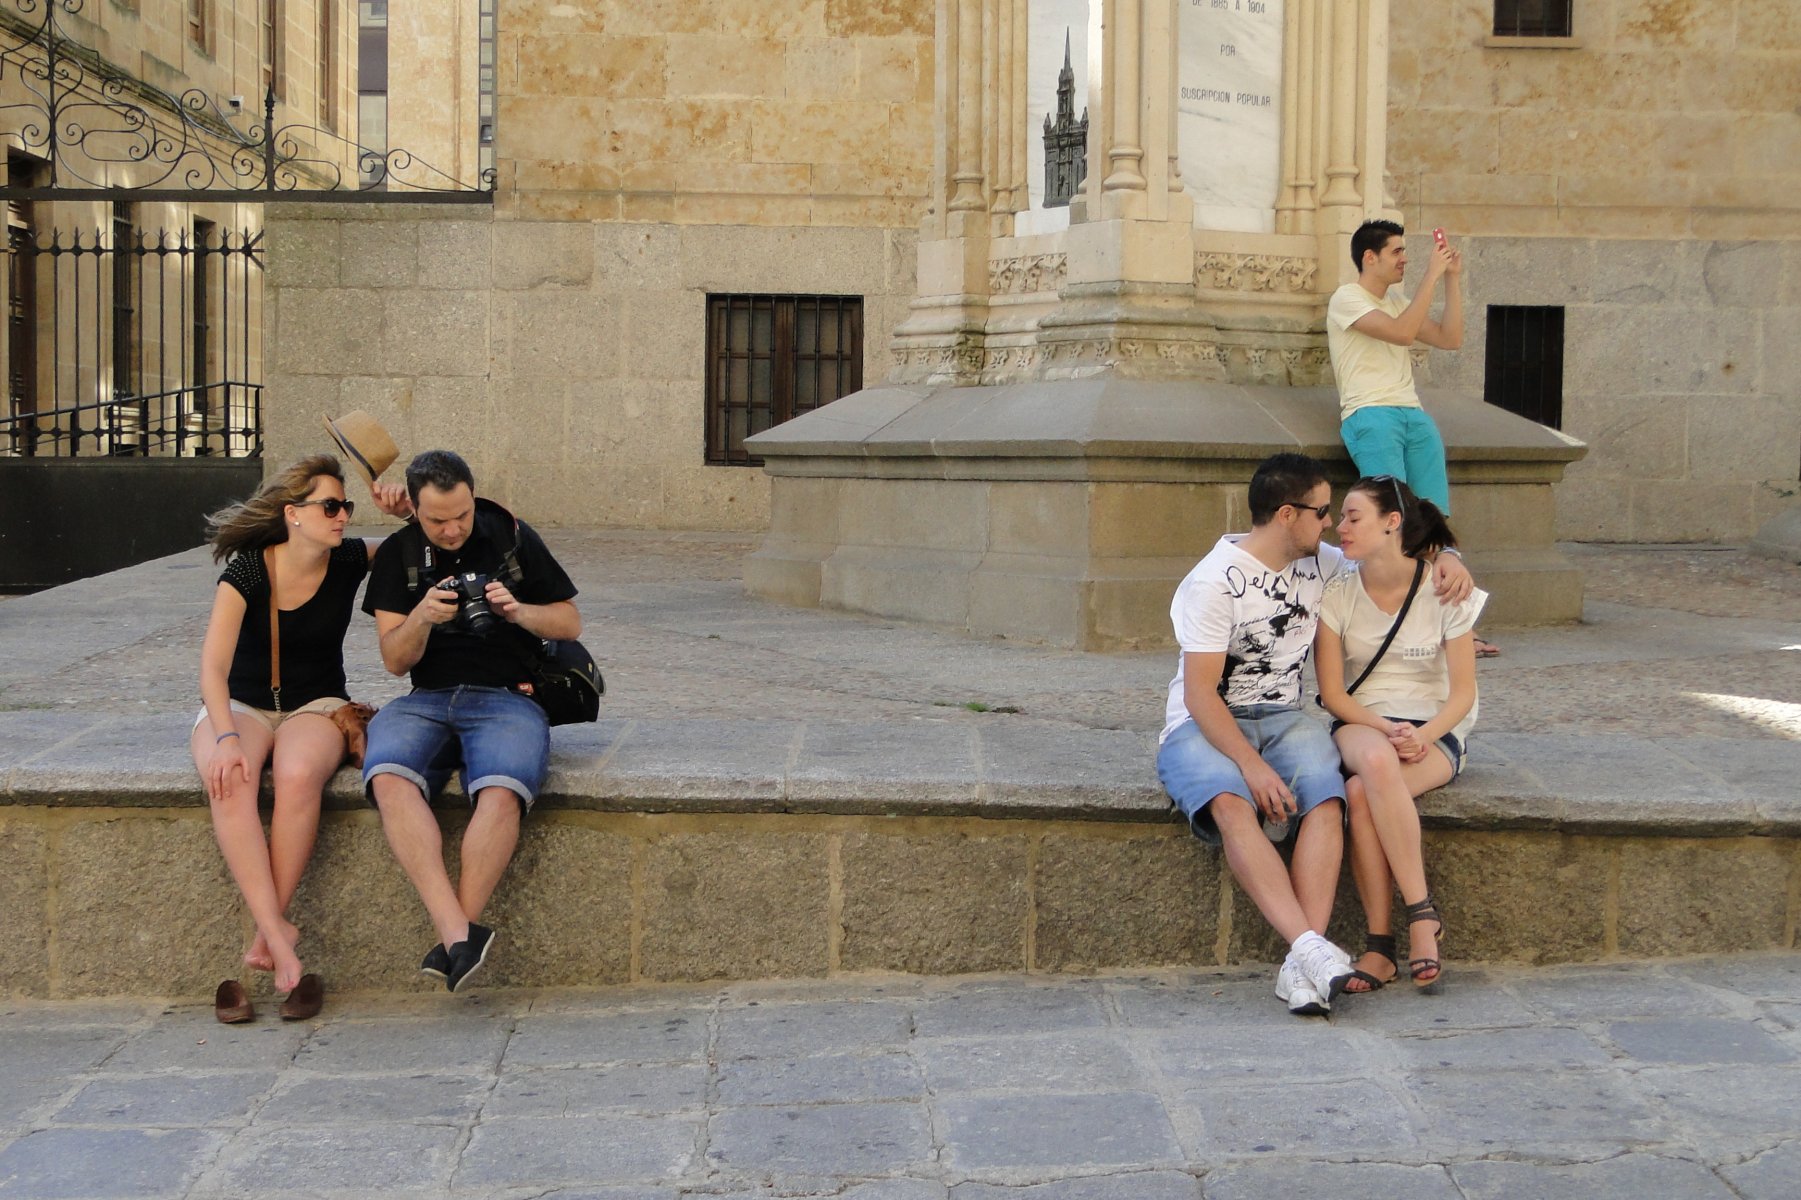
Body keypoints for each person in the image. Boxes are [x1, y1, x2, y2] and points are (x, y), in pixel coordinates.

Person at [1156, 453, 1473, 1016]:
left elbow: (1395, 549)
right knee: (1232, 804)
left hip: (1284, 720)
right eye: (1322, 512)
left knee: (1326, 802)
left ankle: (1299, 967)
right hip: (1202, 723)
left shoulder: (1322, 563)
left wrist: (1448, 556)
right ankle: (1310, 948)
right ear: (1286, 515)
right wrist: (1253, 769)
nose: (1331, 524)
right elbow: (1201, 694)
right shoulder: (1212, 582)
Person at [193, 455, 405, 1021]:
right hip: (241, 703)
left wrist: (405, 511)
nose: (342, 517)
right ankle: (279, 937)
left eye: (346, 507)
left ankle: (270, 930)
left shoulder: (348, 559)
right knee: (232, 779)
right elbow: (212, 668)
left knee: (295, 774)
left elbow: (424, 546)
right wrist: (224, 738)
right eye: (330, 506)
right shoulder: (247, 572)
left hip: (318, 704)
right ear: (293, 514)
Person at [361, 450, 581, 993]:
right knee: (387, 776)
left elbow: (570, 622)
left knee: (502, 788)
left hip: (507, 696)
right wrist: (422, 617)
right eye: (438, 520)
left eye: (461, 513)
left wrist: (518, 612)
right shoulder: (398, 553)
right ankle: (458, 931)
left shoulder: (508, 536)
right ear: (413, 508)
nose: (454, 528)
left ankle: (456, 937)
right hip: (426, 697)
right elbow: (394, 660)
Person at [1315, 475, 1486, 993]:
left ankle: (1380, 946)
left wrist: (1423, 733)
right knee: (1376, 762)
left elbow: (1462, 693)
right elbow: (1334, 696)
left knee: (1360, 792)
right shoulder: (1338, 594)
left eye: (1352, 517)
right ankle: (1422, 913)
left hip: (1437, 727)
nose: (1340, 528)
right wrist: (1387, 728)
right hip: (1363, 721)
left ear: (1393, 523)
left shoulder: (1445, 589)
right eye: (1341, 517)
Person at [1326, 219, 1496, 657]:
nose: (1405, 259)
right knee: (1392, 518)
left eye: (1405, 252)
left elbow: (1450, 338)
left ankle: (1454, 625)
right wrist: (1431, 277)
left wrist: (1452, 282)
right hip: (1370, 414)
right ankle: (1393, 620)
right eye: (1397, 252)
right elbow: (1403, 332)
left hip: (1412, 414)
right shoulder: (1347, 299)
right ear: (1370, 257)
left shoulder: (1400, 301)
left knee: (1433, 518)